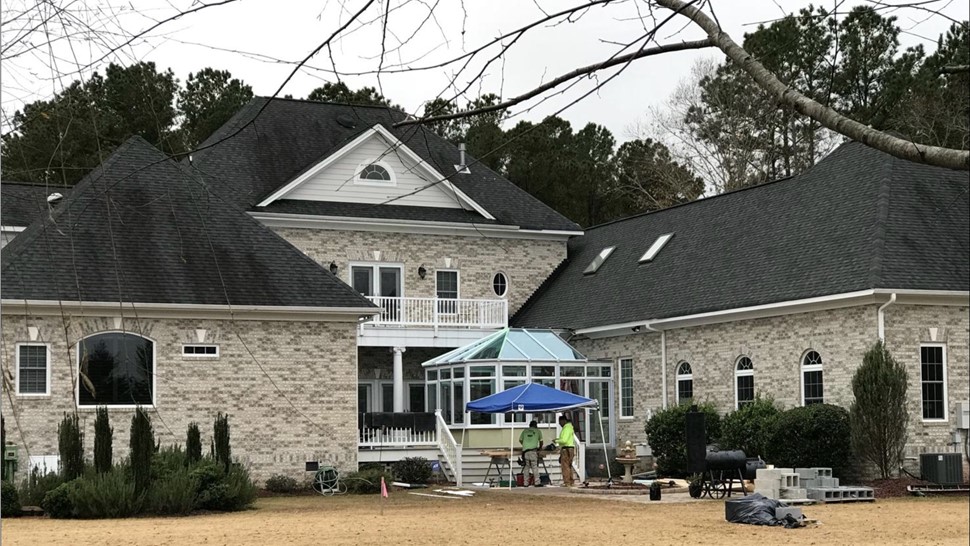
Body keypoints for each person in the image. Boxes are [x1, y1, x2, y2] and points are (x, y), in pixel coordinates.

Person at [518, 420, 544, 486]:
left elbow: (520, 440)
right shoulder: (538, 431)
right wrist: (540, 448)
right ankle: (537, 482)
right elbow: (541, 442)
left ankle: (525, 483)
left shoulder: (525, 431)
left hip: (525, 452)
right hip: (533, 451)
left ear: (529, 425)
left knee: (526, 467)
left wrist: (525, 445)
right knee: (534, 466)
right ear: (536, 425)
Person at [556, 415, 576, 487]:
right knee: (569, 465)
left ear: (563, 421)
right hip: (570, 448)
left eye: (560, 422)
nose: (559, 424)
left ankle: (567, 482)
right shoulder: (569, 427)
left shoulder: (566, 428)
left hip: (566, 448)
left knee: (565, 466)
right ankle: (571, 481)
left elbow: (564, 440)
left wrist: (557, 441)